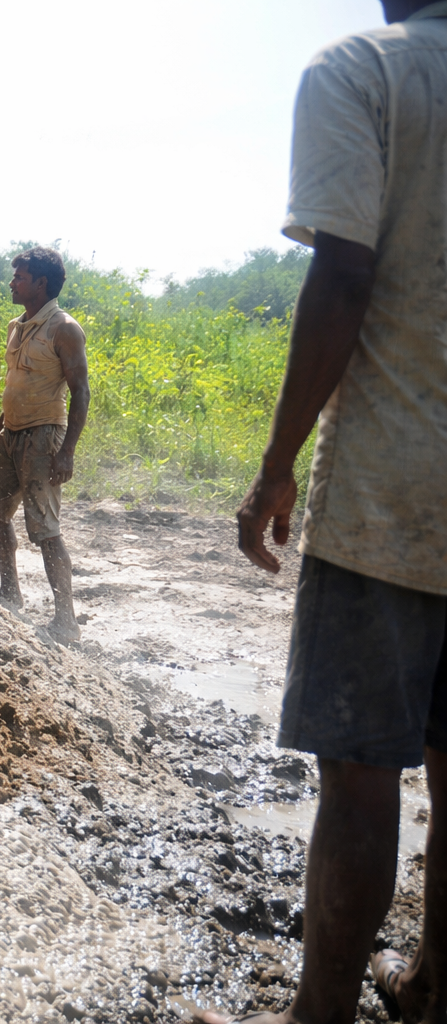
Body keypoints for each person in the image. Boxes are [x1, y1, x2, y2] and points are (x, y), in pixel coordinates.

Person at [199, 3, 447, 1022]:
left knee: (359, 776)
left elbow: (343, 272)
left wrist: (276, 465)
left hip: (395, 495)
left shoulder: (366, 70)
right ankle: (431, 987)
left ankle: (321, 1016)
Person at [0, 246, 90, 642]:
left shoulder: (64, 328)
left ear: (41, 283)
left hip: (45, 436)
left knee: (44, 530)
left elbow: (81, 392)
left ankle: (66, 621)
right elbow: (13, 389)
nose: (12, 283)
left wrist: (67, 451)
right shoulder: (17, 325)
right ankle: (11, 590)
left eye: (19, 277)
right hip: (12, 435)